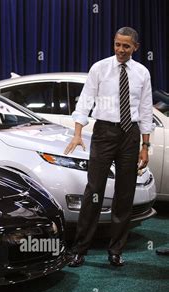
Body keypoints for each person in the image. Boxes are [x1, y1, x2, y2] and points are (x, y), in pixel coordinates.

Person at [64, 27, 154, 267]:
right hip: (104, 132)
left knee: (125, 194)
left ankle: (116, 251)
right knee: (93, 191)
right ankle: (79, 249)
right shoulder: (99, 68)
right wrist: (77, 133)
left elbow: (145, 110)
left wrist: (145, 146)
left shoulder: (142, 73)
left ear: (135, 47)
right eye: (117, 44)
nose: (120, 50)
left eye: (126, 46)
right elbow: (85, 101)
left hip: (130, 135)